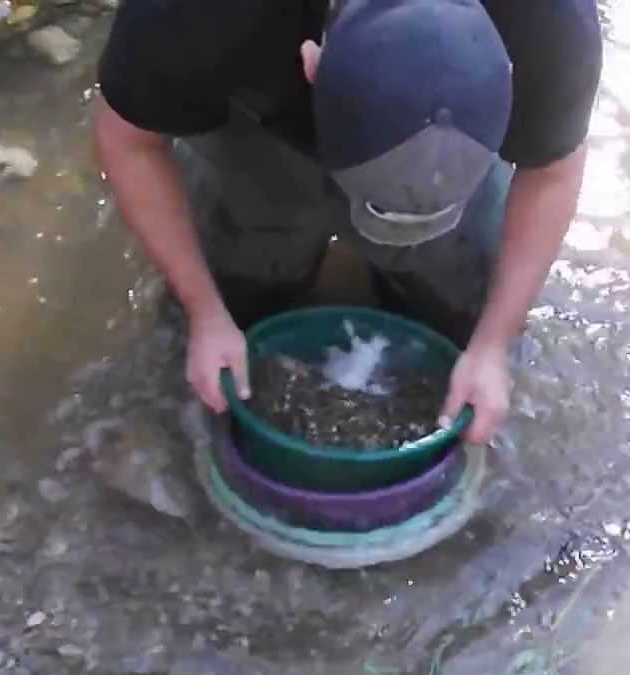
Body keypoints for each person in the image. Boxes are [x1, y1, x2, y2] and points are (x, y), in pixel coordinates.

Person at [91, 0, 602, 445]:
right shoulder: (194, 16)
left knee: (462, 306)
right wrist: (204, 311)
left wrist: (492, 344)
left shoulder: (551, 22)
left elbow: (553, 170)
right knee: (250, 263)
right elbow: (131, 140)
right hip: (257, 98)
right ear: (312, 64)